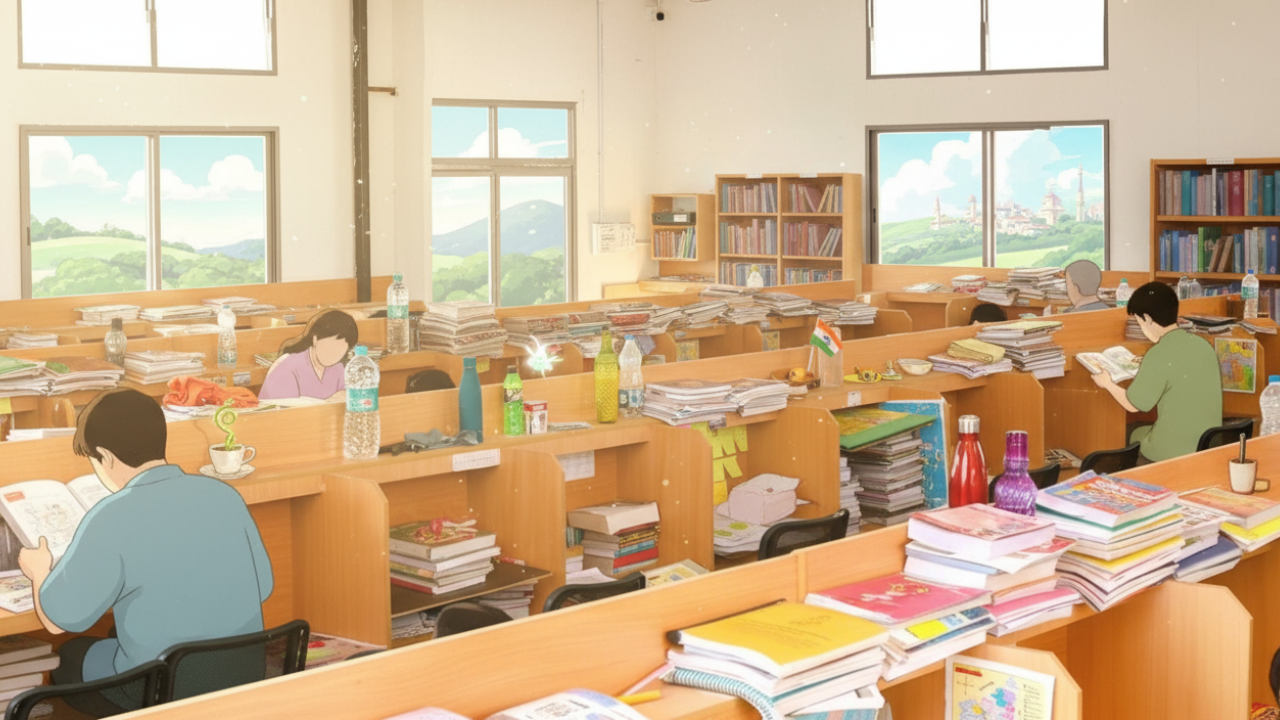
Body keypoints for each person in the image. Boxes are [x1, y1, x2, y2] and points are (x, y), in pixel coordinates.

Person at [19, 389, 272, 710]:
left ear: (106, 456)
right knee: (118, 631)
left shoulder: (111, 514)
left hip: (161, 688)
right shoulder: (225, 496)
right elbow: (263, 586)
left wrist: (39, 569)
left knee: (69, 654)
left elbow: (58, 622)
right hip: (241, 675)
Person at [1089, 282, 1222, 464]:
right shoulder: (1203, 345)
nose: (1143, 330)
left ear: (1148, 319)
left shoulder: (1159, 353)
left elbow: (1133, 405)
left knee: (1128, 432)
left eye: (1139, 323)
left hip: (1173, 451)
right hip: (1209, 445)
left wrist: (1107, 383)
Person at [258, 310, 358, 401]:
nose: (333, 352)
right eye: (329, 345)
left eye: (340, 348)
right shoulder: (286, 366)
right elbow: (285, 413)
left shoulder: (338, 368)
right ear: (315, 339)